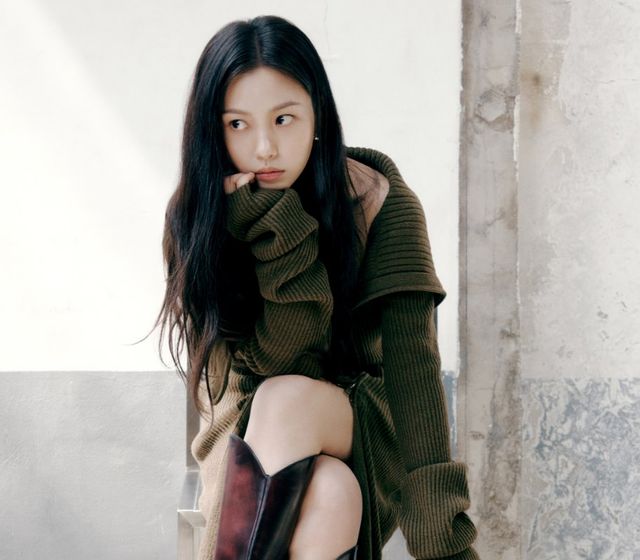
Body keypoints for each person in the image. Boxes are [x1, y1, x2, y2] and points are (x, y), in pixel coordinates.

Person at [155, 14, 479, 560]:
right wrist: (271, 230)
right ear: (214, 130)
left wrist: (444, 546)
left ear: (317, 115)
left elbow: (414, 371)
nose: (264, 147)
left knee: (287, 399)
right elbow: (267, 365)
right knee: (328, 491)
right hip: (243, 438)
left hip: (362, 429)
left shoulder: (378, 202)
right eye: (238, 124)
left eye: (284, 119)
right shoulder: (200, 216)